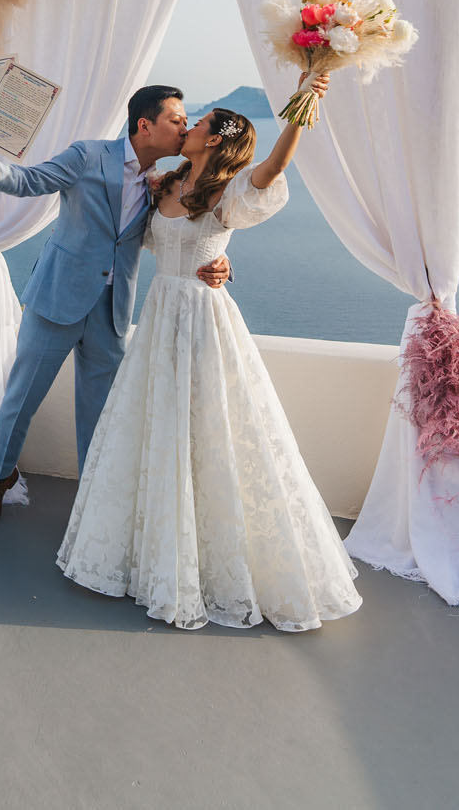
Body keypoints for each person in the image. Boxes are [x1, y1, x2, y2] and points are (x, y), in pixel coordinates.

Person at [56, 75, 362, 631]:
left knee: (210, 429)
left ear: (216, 140)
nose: (190, 123)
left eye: (198, 123)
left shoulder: (227, 194)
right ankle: (159, 556)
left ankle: (209, 562)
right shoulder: (166, 185)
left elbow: (272, 168)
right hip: (158, 321)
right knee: (160, 430)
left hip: (203, 322)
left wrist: (301, 105)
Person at [0, 85, 230, 530]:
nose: (184, 126)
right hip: (57, 300)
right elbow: (28, 182)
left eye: (187, 122)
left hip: (112, 312)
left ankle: (93, 500)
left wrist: (219, 261)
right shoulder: (88, 155)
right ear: (145, 125)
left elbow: (184, 235)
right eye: (177, 120)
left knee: (102, 415)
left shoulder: (165, 185)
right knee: (21, 399)